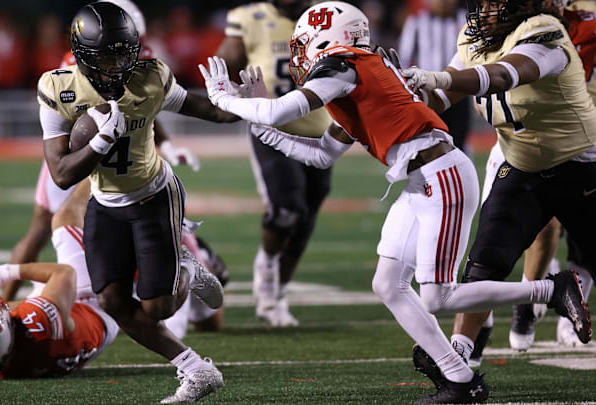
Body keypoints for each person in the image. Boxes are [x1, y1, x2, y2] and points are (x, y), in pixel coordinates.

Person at [199, 1, 590, 403]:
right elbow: (320, 154)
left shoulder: (343, 66)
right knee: (387, 284)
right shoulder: (353, 76)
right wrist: (258, 125)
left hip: (443, 177)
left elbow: (280, 108)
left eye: (305, 42)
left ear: (328, 37)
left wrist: (223, 98)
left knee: (437, 296)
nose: (300, 54)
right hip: (423, 180)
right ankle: (458, 379)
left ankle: (550, 289)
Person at [41, 3, 239, 402]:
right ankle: (196, 369)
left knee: (158, 308)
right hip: (105, 201)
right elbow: (62, 174)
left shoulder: (150, 78)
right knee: (112, 300)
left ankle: (187, 269)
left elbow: (206, 110)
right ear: (83, 56)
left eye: (123, 54)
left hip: (153, 196)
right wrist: (100, 142)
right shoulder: (58, 89)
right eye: (107, 57)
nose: (117, 67)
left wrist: (242, 103)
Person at [399, 0, 595, 389]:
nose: (485, 11)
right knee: (484, 262)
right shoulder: (476, 39)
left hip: (582, 166)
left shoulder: (545, 31)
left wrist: (437, 78)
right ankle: (460, 356)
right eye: (483, 2)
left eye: (496, 3)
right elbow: (440, 99)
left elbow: (505, 75)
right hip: (522, 167)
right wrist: (397, 96)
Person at [4, 0, 200, 301]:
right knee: (43, 227)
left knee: (118, 219)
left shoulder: (132, 59)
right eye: (114, 48)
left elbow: (140, 108)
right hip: (79, 151)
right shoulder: (76, 70)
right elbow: (83, 116)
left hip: (114, 149)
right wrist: (95, 143)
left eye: (128, 45)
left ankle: (152, 276)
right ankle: (7, 299)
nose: (122, 57)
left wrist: (166, 143)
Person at [467, 0, 596, 361]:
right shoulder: (503, 25)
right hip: (516, 138)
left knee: (559, 228)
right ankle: (485, 323)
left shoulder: (566, 24)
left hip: (577, 140)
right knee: (492, 242)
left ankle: (532, 298)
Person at [215, 0, 333, 327]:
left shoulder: (328, 17)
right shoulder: (248, 18)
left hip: (319, 132)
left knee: (305, 219)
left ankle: (278, 293)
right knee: (286, 210)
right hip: (272, 130)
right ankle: (266, 268)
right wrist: (232, 92)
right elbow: (222, 67)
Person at [0, 180, 119, 378]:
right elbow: (63, 274)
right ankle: (102, 169)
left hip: (70, 338)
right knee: (65, 216)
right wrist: (5, 272)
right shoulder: (38, 321)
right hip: (95, 308)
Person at [398, 0, 472, 152]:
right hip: (427, 92)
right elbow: (404, 58)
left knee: (458, 142)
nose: (443, 3)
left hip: (459, 91)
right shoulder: (417, 22)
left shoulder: (466, 20)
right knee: (428, 144)